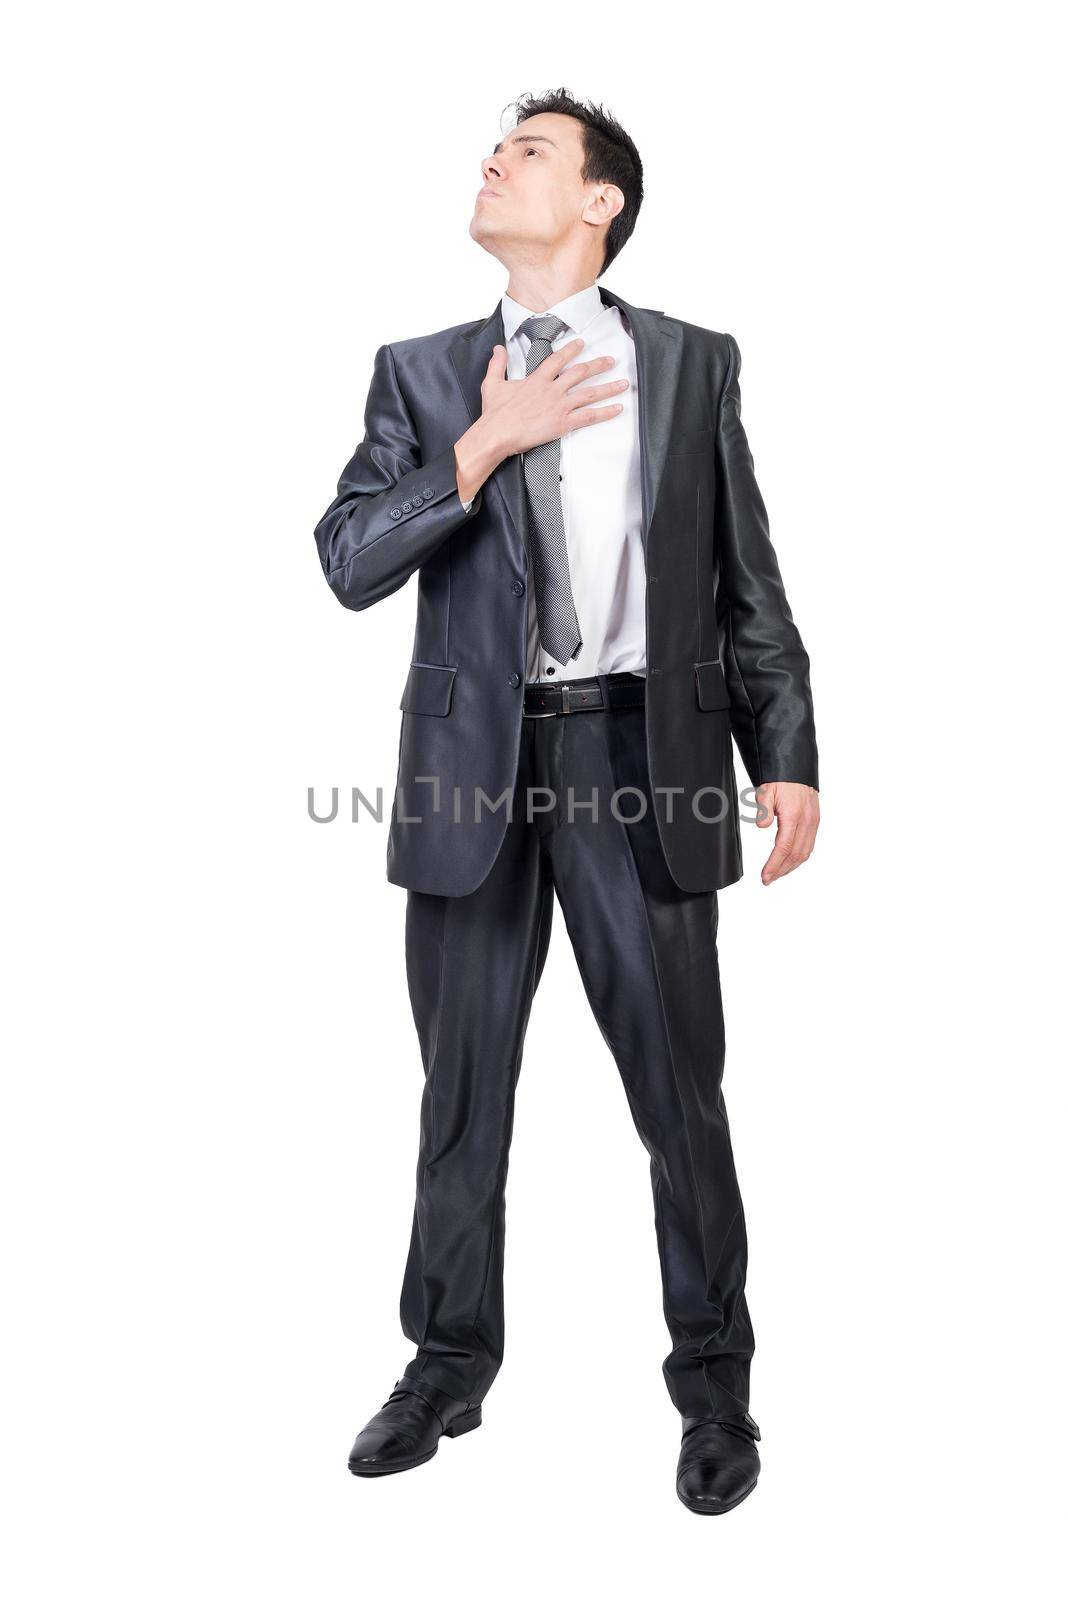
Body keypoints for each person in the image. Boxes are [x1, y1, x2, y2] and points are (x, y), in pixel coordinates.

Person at [312, 87, 819, 1515]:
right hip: (471, 773)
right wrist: (481, 446)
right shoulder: (418, 372)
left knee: (680, 1097)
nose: (495, 159)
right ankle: (447, 1361)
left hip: (639, 761)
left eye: (529, 149)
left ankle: (715, 1390)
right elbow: (349, 558)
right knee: (462, 1097)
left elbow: (748, 586)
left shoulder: (692, 366)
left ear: (599, 202)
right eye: (494, 146)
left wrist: (786, 749)